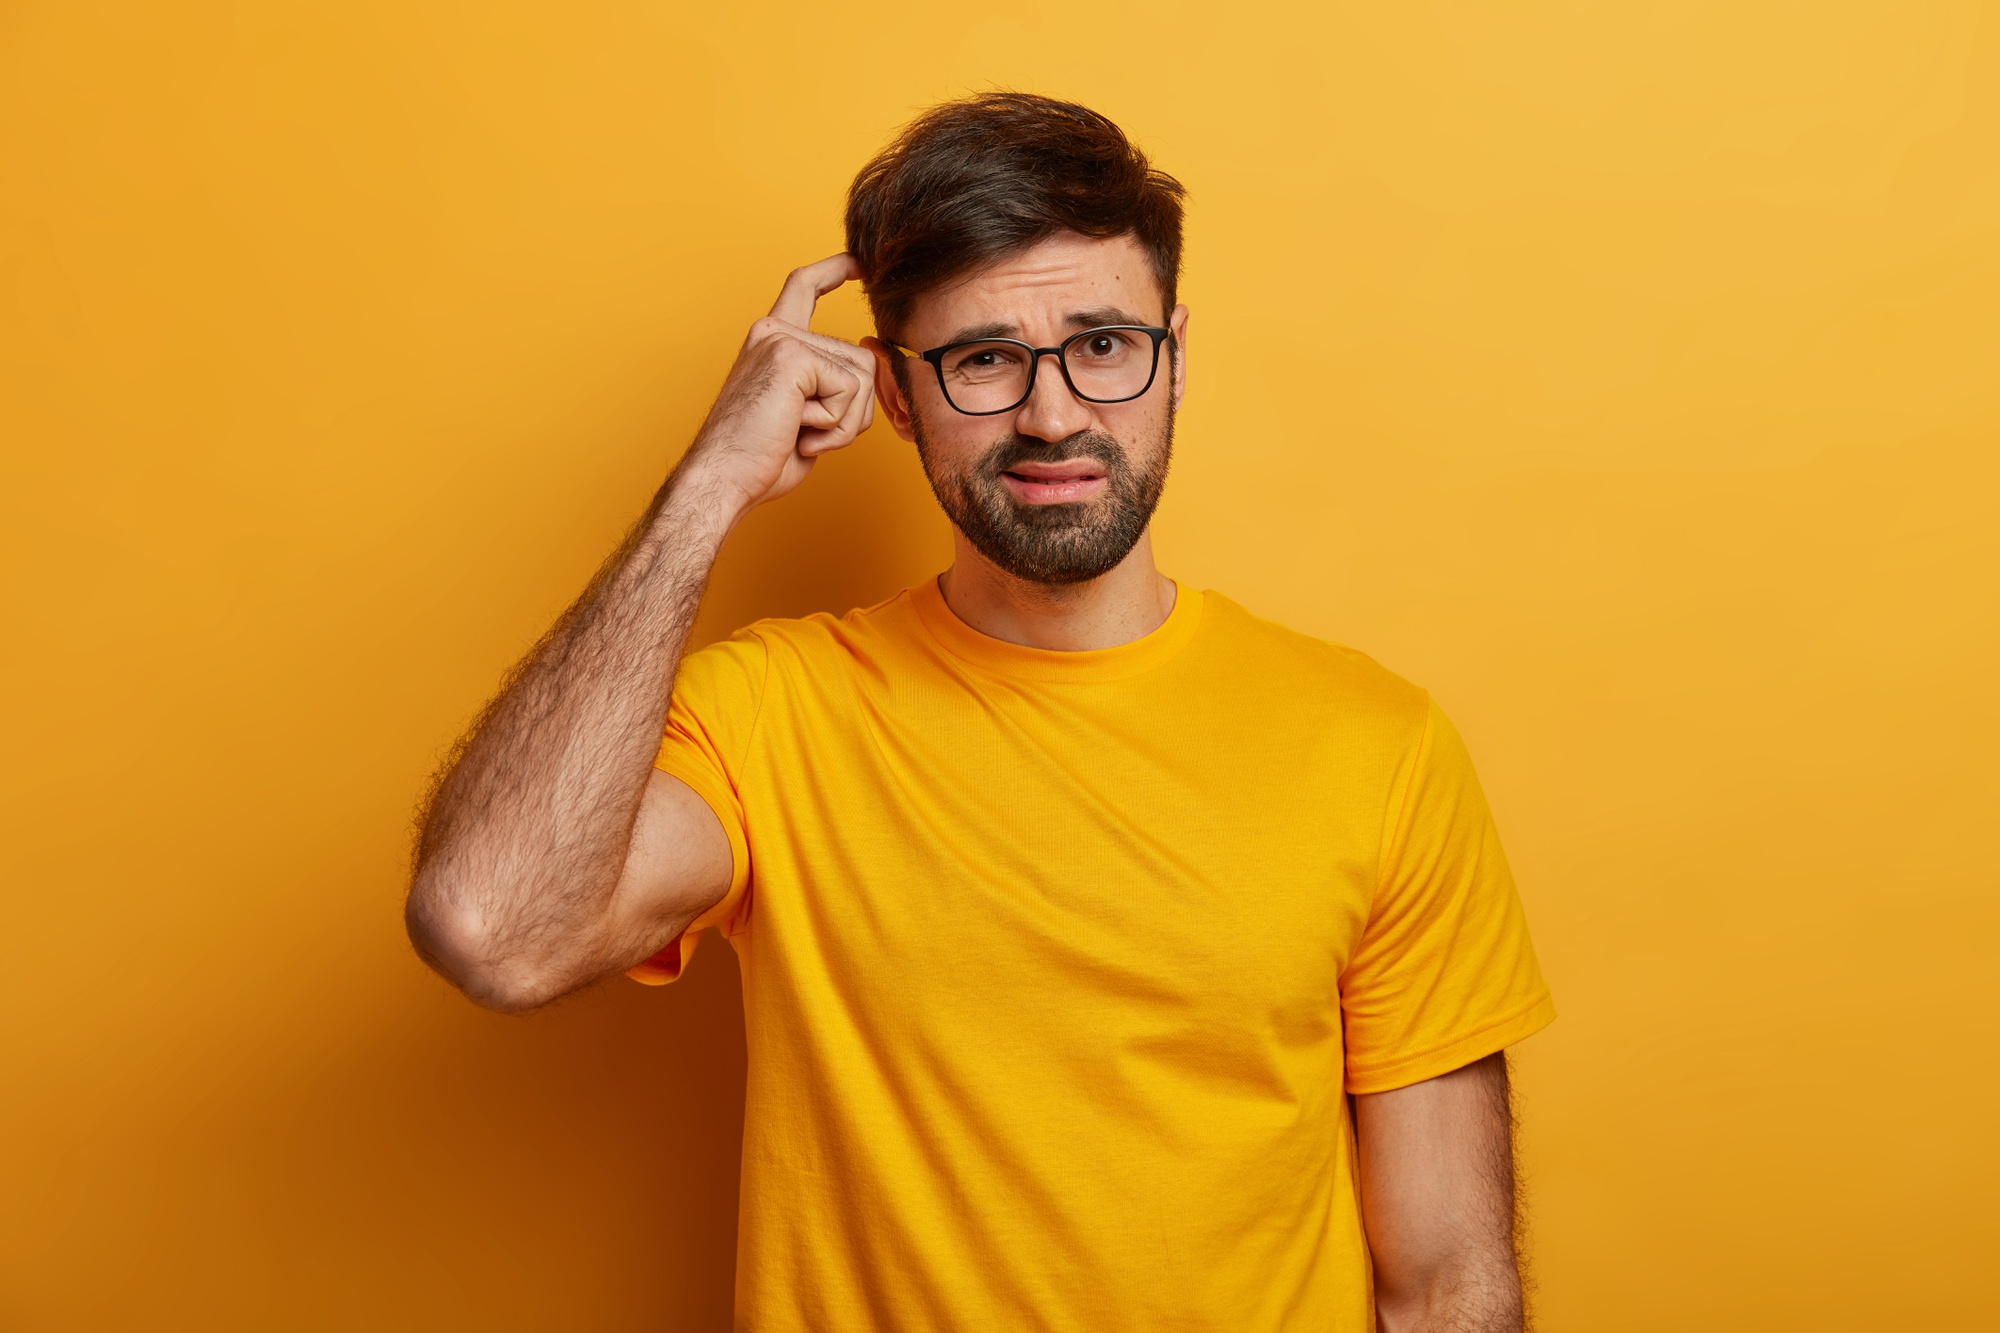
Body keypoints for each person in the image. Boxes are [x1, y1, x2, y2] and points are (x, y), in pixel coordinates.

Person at [406, 92, 1555, 1333]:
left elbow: (1446, 1287)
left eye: (1102, 344)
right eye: (983, 359)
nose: (1052, 416)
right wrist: (707, 490)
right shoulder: (773, 714)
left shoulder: (1375, 745)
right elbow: (493, 929)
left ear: (1174, 353)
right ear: (896, 394)